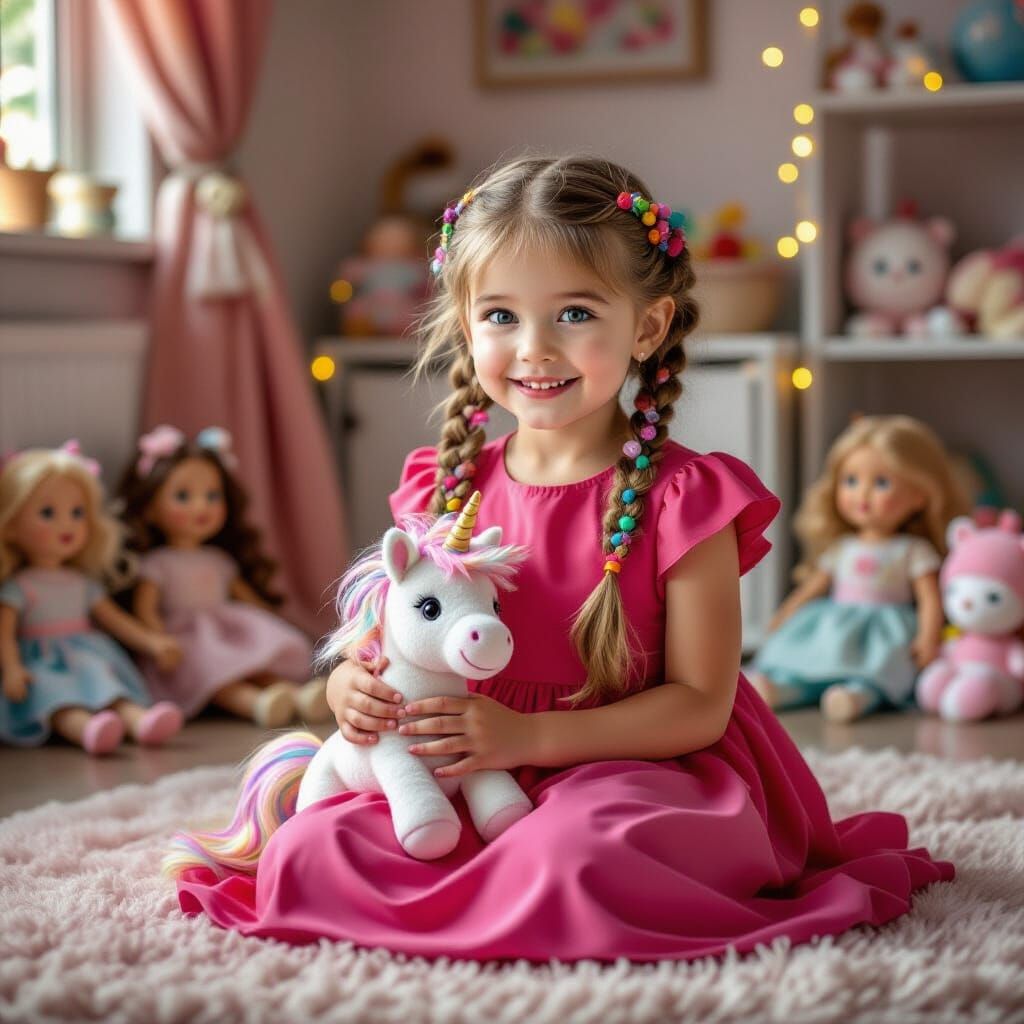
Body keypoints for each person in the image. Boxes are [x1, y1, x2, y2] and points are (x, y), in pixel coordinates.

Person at [173, 156, 953, 961]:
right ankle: (482, 881)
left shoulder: (686, 499)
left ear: (646, 327)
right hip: (469, 756)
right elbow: (391, 645)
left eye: (575, 313)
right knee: (312, 850)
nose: (534, 348)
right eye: (501, 316)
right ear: (467, 323)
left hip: (632, 762)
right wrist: (349, 690)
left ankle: (515, 884)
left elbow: (699, 707)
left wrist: (528, 740)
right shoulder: (441, 489)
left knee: (575, 860)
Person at [749, 415, 966, 722]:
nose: (862, 494)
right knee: (810, 657)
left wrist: (929, 637)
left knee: (879, 670)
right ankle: (787, 689)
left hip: (885, 631)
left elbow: (931, 599)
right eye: (850, 481)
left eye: (881, 483)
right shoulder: (842, 548)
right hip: (835, 623)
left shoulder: (913, 551)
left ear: (920, 495)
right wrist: (786, 613)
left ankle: (858, 695)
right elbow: (813, 587)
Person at [117, 426, 325, 728]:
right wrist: (155, 641)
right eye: (183, 496)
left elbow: (246, 598)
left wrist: (269, 616)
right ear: (149, 510)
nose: (201, 506)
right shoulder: (157, 564)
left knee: (253, 666)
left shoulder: (219, 560)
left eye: (212, 495)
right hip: (186, 640)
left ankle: (297, 696)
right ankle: (256, 703)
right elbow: (146, 611)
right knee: (219, 677)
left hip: (225, 631)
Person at [0, 442, 183, 754]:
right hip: (40, 661)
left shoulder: (82, 583)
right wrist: (12, 668)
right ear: (12, 526)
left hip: (87, 653)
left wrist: (151, 642)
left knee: (105, 682)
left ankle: (137, 720)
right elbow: (4, 634)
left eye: (77, 513)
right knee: (53, 694)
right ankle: (86, 728)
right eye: (48, 513)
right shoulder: (20, 586)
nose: (66, 524)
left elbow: (115, 620)